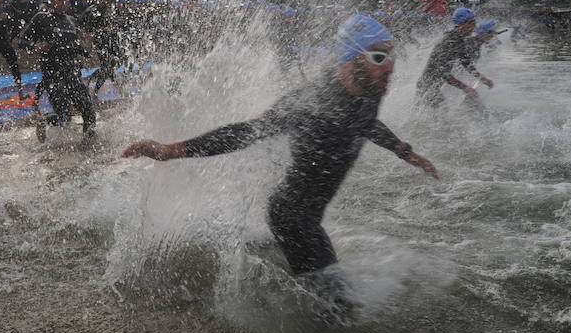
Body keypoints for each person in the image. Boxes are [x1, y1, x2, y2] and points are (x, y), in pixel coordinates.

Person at [123, 15, 438, 289]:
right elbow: (243, 134)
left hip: (309, 216)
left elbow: (366, 122)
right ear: (349, 61)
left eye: (391, 56)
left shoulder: (370, 89)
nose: (390, 66)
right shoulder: (312, 104)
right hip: (294, 219)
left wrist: (405, 152)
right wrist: (170, 151)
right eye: (379, 57)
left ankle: (264, 254)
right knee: (337, 306)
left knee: (323, 288)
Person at [19, 0, 95, 144]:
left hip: (73, 74)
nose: (64, 2)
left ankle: (89, 144)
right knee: (64, 117)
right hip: (53, 76)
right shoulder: (41, 18)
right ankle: (43, 120)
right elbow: (22, 40)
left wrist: (88, 53)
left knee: (89, 112)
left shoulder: (71, 20)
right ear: (50, 0)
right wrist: (35, 46)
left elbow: (75, 44)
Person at [415, 7, 483, 108]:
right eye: (471, 22)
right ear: (461, 24)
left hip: (433, 86)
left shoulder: (459, 39)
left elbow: (465, 62)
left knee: (441, 112)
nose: (474, 26)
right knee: (440, 112)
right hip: (427, 86)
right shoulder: (449, 41)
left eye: (475, 22)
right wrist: (465, 88)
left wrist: (482, 78)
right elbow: (442, 72)